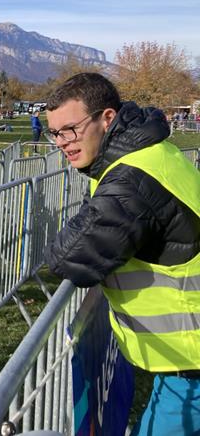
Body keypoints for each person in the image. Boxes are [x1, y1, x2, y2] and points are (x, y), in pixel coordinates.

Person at [43, 72, 200, 435]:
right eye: (55, 134)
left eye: (71, 129)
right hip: (179, 364)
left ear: (107, 118)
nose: (63, 143)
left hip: (190, 370)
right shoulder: (147, 154)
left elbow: (71, 258)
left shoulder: (131, 178)